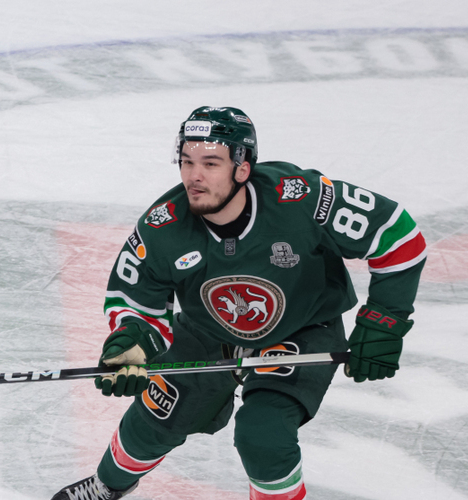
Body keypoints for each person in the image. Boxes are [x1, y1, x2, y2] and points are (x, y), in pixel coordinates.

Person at [51, 106, 426, 500]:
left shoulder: (303, 198)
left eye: (210, 163)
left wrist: (384, 321)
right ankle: (106, 486)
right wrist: (132, 342)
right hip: (207, 329)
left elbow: (398, 237)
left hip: (303, 327)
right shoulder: (162, 227)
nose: (194, 176)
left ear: (243, 168)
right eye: (187, 161)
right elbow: (136, 300)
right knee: (154, 420)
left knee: (263, 434)